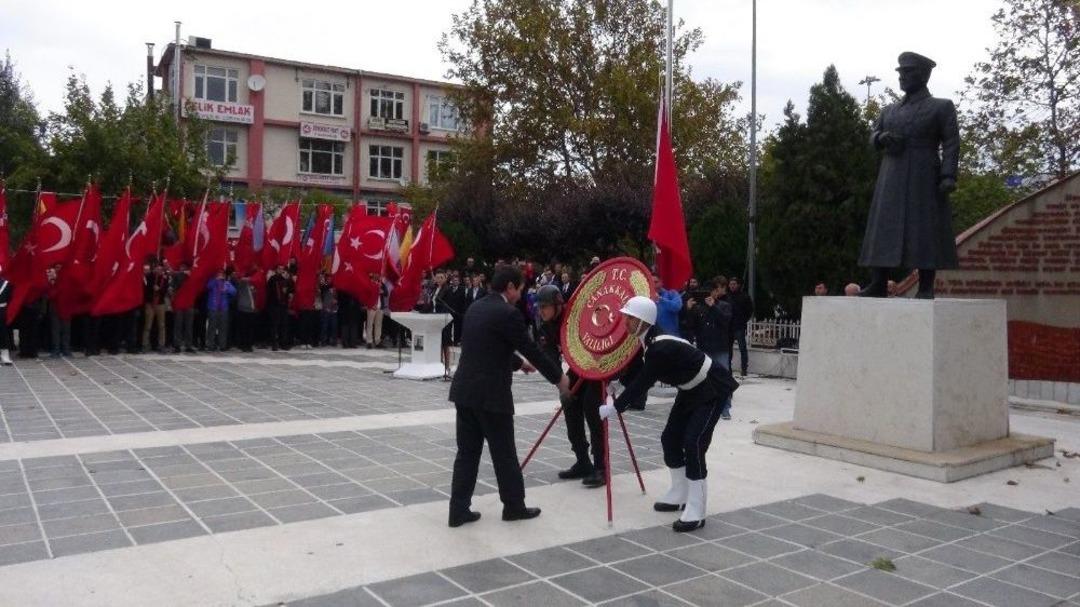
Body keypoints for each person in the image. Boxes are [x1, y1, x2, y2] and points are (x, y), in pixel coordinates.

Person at [600, 296, 738, 532]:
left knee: (693, 443)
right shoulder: (650, 341)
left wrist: (616, 407)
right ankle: (679, 493)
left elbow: (644, 381)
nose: (625, 322)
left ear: (643, 321)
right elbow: (638, 369)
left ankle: (696, 509)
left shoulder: (660, 347)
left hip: (712, 387)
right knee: (670, 439)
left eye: (630, 318)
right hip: (690, 389)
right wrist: (617, 383)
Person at [448, 265, 571, 528]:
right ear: (511, 287)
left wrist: (517, 364)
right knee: (504, 452)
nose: (521, 294)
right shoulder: (508, 313)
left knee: (467, 453)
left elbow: (487, 344)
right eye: (521, 288)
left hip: (464, 392)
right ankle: (514, 507)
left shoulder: (476, 307)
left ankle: (458, 511)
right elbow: (533, 349)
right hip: (492, 396)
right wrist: (560, 379)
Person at [859, 52, 959, 299]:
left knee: (924, 229)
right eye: (900, 72)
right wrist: (881, 139)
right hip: (891, 174)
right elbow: (872, 135)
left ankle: (926, 286)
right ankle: (878, 282)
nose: (902, 77)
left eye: (908, 72)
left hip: (924, 174)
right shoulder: (889, 110)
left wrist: (948, 176)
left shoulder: (941, 107)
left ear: (923, 75)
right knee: (883, 227)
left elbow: (951, 142)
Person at [535, 284, 606, 488]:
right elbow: (549, 358)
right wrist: (561, 385)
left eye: (545, 307)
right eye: (539, 307)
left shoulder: (576, 317)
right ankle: (582, 460)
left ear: (558, 305)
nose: (542, 311)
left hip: (594, 367)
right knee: (569, 404)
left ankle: (601, 466)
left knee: (592, 409)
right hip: (576, 369)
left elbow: (597, 332)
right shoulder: (547, 326)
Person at [688, 277, 734, 420]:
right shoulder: (699, 308)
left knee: (723, 378)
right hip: (704, 348)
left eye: (712, 291)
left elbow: (726, 321)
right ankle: (704, 406)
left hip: (720, 348)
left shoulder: (724, 305)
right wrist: (689, 310)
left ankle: (725, 407)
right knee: (703, 378)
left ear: (716, 292)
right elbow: (690, 326)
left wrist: (713, 306)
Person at [726, 277, 753, 377]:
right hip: (729, 326)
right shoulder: (727, 296)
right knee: (728, 348)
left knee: (742, 348)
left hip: (739, 326)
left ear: (738, 285)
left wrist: (743, 320)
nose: (732, 286)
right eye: (731, 284)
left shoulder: (744, 296)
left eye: (734, 284)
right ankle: (728, 367)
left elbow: (749, 310)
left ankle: (744, 368)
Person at [205, 270, 236, 352]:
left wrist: (227, 289)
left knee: (223, 327)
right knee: (212, 327)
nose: (220, 275)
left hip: (223, 308)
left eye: (222, 274)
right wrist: (215, 280)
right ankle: (210, 344)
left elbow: (234, 292)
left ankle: (222, 345)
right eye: (219, 274)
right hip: (213, 307)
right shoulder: (212, 281)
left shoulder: (227, 283)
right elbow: (208, 286)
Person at [143, 264, 169, 352]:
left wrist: (159, 289)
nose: (159, 271)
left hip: (160, 304)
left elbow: (165, 291)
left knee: (161, 325)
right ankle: (145, 344)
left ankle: (161, 344)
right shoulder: (150, 277)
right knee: (148, 325)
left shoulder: (164, 279)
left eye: (160, 269)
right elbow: (145, 289)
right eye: (157, 269)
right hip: (150, 303)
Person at [170, 263, 196, 354]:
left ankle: (188, 345)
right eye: (182, 267)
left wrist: (190, 275)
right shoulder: (177, 276)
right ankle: (177, 345)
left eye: (185, 267)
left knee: (189, 326)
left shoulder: (192, 276)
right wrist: (183, 274)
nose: (183, 268)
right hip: (179, 303)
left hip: (189, 303)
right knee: (178, 325)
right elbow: (173, 286)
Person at [266, 265, 293, 351]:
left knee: (284, 324)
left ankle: (283, 343)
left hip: (283, 305)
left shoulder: (286, 279)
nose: (281, 270)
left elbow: (291, 289)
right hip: (274, 305)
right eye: (279, 269)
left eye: (282, 269)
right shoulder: (272, 279)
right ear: (276, 270)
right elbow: (269, 291)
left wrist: (289, 292)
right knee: (275, 325)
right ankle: (274, 343)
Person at [234, 271, 258, 352]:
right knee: (243, 328)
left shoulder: (253, 284)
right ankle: (243, 344)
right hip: (243, 308)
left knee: (250, 328)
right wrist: (244, 278)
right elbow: (239, 280)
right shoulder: (242, 283)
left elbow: (255, 293)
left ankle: (249, 344)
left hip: (251, 309)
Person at [0, 276, 12, 365]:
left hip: (1, 309)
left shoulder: (6, 283)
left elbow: (9, 298)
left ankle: (5, 355)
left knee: (3, 333)